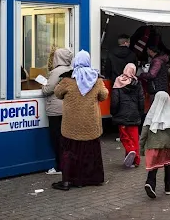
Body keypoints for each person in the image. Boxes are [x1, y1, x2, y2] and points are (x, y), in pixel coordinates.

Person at [52, 50, 109, 191]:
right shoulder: (96, 79)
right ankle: (92, 179)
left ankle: (67, 181)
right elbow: (103, 96)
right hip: (91, 124)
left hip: (72, 125)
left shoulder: (67, 79)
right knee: (91, 152)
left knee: (70, 152)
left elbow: (57, 93)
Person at [41, 47, 73, 175]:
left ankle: (60, 166)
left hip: (55, 110)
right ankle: (68, 164)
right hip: (68, 108)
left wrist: (43, 85)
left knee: (57, 139)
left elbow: (47, 90)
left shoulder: (56, 72)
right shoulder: (71, 70)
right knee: (66, 139)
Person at [110, 63, 145, 168]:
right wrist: (140, 112)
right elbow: (141, 99)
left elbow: (115, 101)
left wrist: (113, 112)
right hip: (134, 114)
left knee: (125, 137)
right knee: (134, 138)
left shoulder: (118, 81)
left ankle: (131, 151)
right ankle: (136, 160)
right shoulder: (137, 83)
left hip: (121, 115)